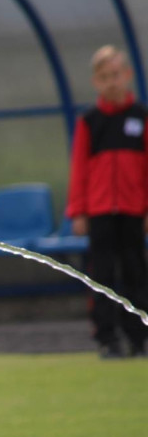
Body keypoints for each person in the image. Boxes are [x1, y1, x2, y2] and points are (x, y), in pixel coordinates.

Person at [66, 44, 148, 359]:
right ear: (96, 82)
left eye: (116, 75)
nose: (112, 82)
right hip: (99, 211)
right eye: (104, 77)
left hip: (132, 209)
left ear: (127, 76)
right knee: (101, 275)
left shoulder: (141, 117)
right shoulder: (90, 122)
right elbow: (79, 169)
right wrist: (78, 211)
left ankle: (139, 337)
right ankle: (107, 337)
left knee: (135, 272)